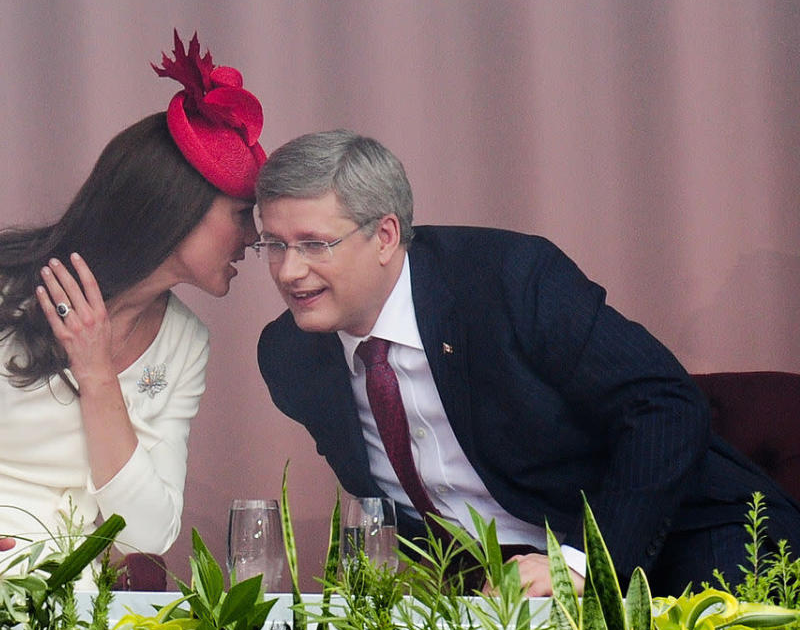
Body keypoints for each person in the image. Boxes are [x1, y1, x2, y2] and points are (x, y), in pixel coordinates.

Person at [254, 129, 800, 596]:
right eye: (274, 245)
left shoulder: (509, 280)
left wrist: (582, 565)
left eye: (313, 244)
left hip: (690, 532)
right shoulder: (290, 358)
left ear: (386, 236)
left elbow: (667, 405)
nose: (288, 272)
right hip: (508, 590)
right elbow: (388, 504)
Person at [0, 32, 266, 572]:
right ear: (174, 209)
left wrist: (96, 375)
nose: (253, 238)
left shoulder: (186, 342)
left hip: (67, 606)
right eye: (240, 215)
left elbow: (149, 533)